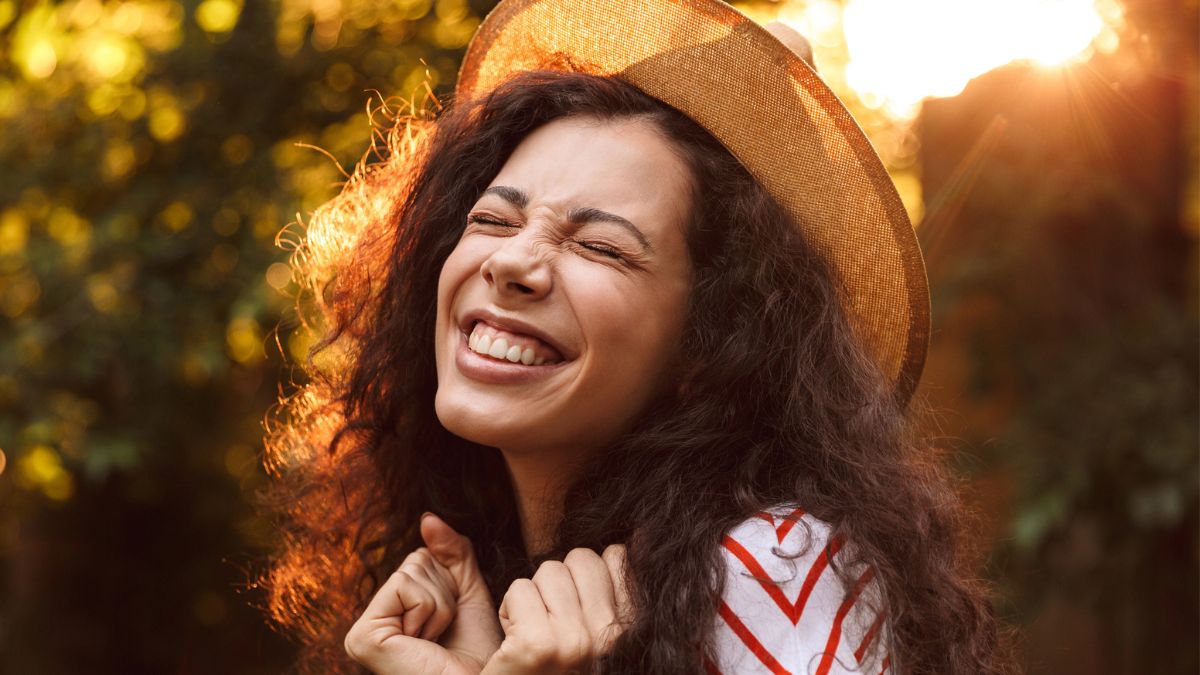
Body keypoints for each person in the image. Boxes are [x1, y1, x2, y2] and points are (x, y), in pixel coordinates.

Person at [260, 1, 1014, 673]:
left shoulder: (773, 566)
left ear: (711, 340)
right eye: (493, 219)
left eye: (602, 247)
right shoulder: (469, 582)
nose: (514, 262)